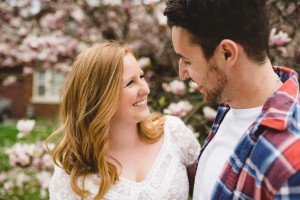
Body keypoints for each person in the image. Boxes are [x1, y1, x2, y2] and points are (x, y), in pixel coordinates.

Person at [164, 0, 300, 199]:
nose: (182, 73)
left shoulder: (289, 164)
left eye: (187, 60)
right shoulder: (230, 100)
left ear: (227, 53)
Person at [46, 41, 200, 200]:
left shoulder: (173, 134)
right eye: (130, 83)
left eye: (141, 76)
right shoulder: (71, 175)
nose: (146, 89)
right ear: (100, 97)